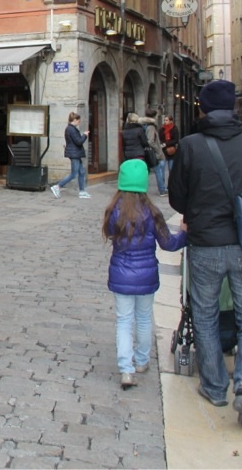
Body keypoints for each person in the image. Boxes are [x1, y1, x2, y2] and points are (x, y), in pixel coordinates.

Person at [168, 79, 242, 427]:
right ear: (234, 108)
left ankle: (215, 387)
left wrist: (199, 211)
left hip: (206, 244)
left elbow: (177, 197)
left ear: (201, 108)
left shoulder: (189, 146)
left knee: (205, 314)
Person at [103, 159, 187, 389]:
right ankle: (141, 361)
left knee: (123, 320)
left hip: (120, 274)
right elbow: (168, 243)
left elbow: (110, 233)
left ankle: (126, 369)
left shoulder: (113, 211)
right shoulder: (152, 212)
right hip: (146, 275)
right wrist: (184, 235)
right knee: (143, 318)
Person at [51, 112, 90, 199]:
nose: (79, 123)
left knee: (82, 172)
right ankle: (58, 186)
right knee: (74, 173)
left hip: (75, 153)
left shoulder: (71, 129)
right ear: (75, 120)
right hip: (74, 153)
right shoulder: (71, 129)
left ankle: (82, 191)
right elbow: (78, 141)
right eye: (78, 121)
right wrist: (85, 135)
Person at [141, 109, 167, 196]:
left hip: (150, 152)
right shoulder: (151, 127)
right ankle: (162, 190)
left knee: (156, 170)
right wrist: (157, 148)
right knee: (159, 171)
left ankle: (162, 188)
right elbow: (151, 141)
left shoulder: (145, 126)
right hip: (155, 153)